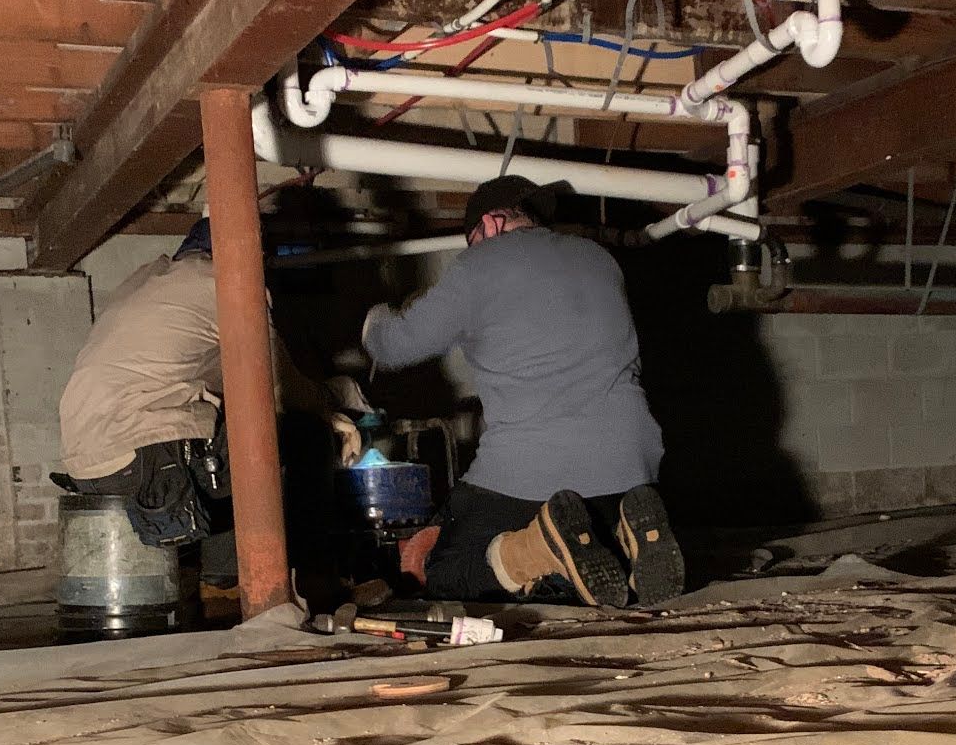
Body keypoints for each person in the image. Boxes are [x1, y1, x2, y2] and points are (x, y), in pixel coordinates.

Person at [361, 175, 683, 607]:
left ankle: (537, 548)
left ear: (491, 224)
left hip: (532, 467)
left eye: (473, 237)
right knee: (589, 548)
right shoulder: (600, 259)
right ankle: (627, 545)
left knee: (445, 572)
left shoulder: (481, 264)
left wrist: (377, 315)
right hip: (632, 462)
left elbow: (394, 345)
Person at [57, 216, 361, 570]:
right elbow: (276, 382)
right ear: (248, 255)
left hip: (85, 466)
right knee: (305, 435)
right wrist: (332, 411)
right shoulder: (229, 282)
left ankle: (223, 581)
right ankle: (314, 576)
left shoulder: (144, 280)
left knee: (222, 433)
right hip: (144, 459)